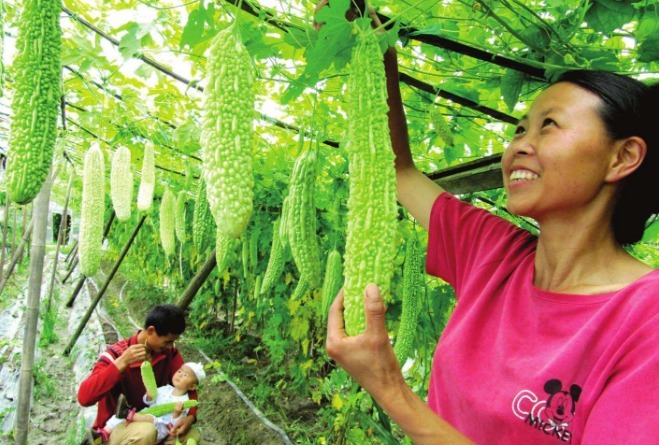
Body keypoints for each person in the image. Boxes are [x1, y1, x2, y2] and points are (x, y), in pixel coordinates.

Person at [322, 3, 659, 444]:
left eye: (548, 126)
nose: (519, 145)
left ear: (622, 157)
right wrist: (375, 45)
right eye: (519, 130)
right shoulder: (493, 251)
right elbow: (398, 171)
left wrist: (390, 389)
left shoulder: (645, 320)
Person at [78, 304, 202, 445]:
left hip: (155, 421)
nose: (170, 346)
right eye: (168, 341)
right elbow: (84, 398)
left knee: (192, 435)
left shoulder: (168, 354)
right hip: (118, 426)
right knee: (146, 432)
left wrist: (191, 416)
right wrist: (122, 363)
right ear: (151, 331)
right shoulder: (115, 355)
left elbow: (189, 383)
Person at [94, 362, 205, 445]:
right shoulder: (166, 388)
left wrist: (176, 414)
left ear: (192, 386)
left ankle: (128, 413)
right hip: (144, 415)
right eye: (180, 371)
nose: (180, 375)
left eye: (186, 375)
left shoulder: (184, 402)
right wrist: (148, 397)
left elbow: (177, 425)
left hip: (161, 427)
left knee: (149, 418)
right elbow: (150, 401)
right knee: (120, 417)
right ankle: (104, 433)